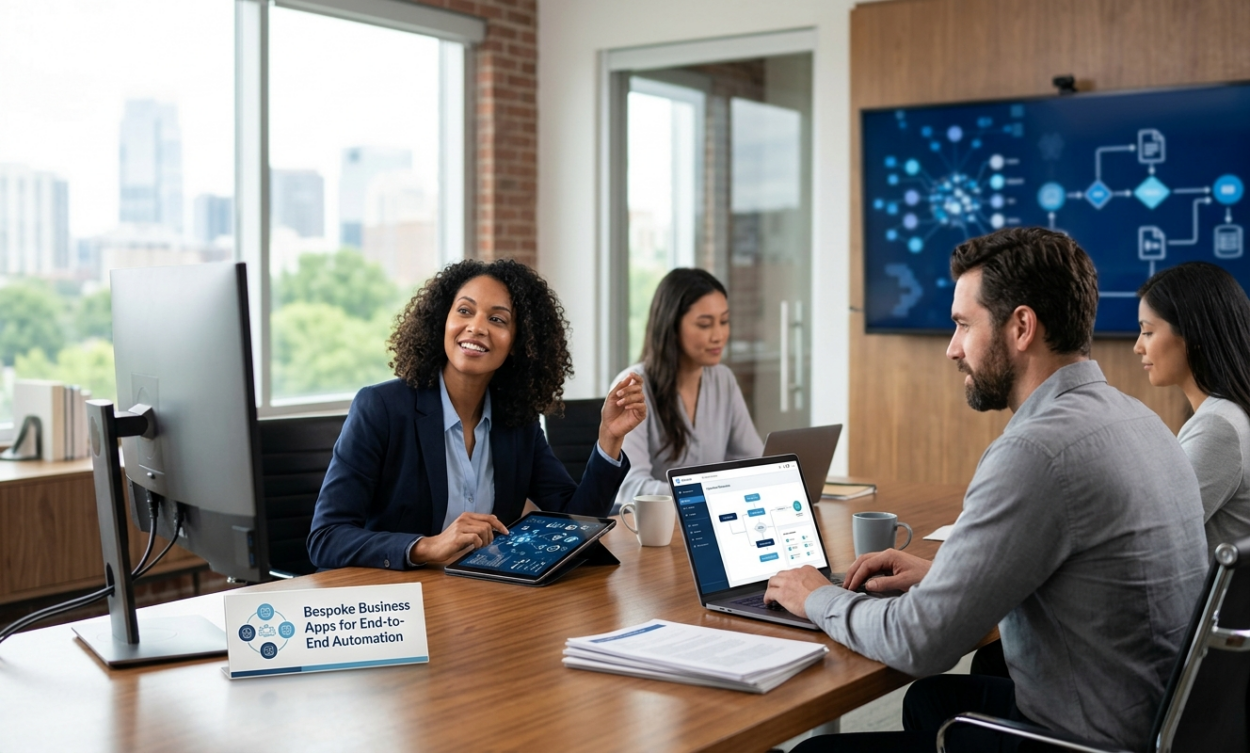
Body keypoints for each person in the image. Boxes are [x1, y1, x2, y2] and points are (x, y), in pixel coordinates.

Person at [764, 227, 1207, 752]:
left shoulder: (1037, 451)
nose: (953, 349)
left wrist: (817, 596)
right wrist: (947, 578)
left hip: (1078, 741)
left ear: (1021, 327)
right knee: (929, 701)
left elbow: (918, 643)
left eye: (962, 325)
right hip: (1159, 722)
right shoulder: (1139, 418)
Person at [308, 258, 647, 570]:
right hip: (399, 607)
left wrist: (610, 437)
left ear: (518, 342)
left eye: (497, 319)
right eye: (465, 311)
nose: (476, 327)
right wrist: (426, 547)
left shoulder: (517, 420)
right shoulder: (381, 408)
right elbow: (326, 538)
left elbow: (576, 523)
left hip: (480, 598)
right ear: (444, 319)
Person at [612, 268, 762, 510]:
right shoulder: (634, 388)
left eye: (724, 321)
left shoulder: (723, 379)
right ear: (671, 325)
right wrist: (711, 492)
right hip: (657, 534)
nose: (719, 335)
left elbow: (753, 462)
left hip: (715, 522)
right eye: (705, 325)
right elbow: (631, 488)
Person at [1136, 261, 1250, 559]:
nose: (1138, 346)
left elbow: (1149, 537)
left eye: (1147, 332)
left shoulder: (1218, 425)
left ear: (1193, 336)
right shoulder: (1226, 414)